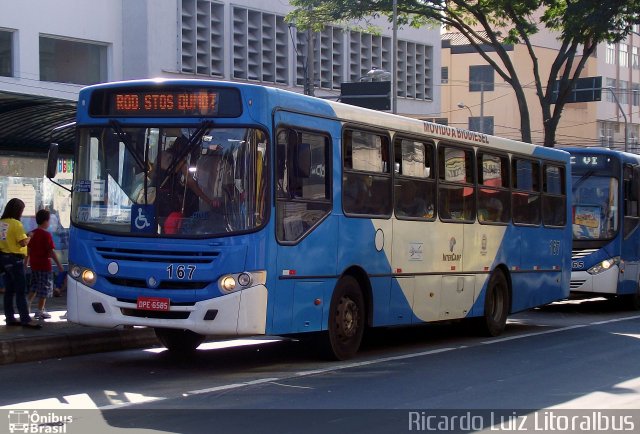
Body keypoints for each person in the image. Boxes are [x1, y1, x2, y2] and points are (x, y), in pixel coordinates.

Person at [0, 198, 41, 329]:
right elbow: (23, 242)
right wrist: (29, 236)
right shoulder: (16, 224)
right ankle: (25, 319)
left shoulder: (1, 223)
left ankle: (10, 317)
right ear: (18, 210)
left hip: (3, 259)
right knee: (20, 290)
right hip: (15, 259)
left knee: (9, 290)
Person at [26, 209, 64, 319]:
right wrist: (59, 264)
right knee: (44, 288)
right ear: (45, 221)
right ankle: (40, 310)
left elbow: (28, 249)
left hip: (34, 264)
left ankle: (27, 305)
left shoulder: (32, 233)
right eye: (49, 221)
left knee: (34, 286)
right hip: (44, 265)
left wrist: (26, 262)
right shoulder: (46, 235)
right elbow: (51, 252)